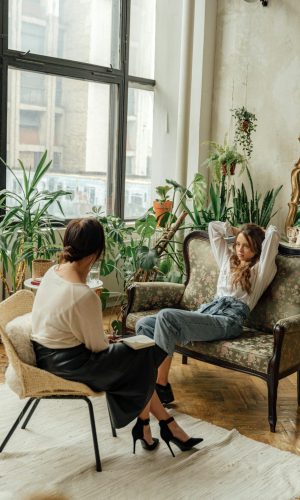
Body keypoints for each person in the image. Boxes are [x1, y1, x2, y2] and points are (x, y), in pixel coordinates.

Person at [31, 217, 202, 456]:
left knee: (139, 357)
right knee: (143, 356)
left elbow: (70, 328)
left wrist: (109, 342)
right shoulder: (82, 294)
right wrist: (111, 340)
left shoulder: (52, 273)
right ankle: (162, 426)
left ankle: (155, 427)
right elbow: (98, 348)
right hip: (71, 365)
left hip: (45, 355)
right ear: (95, 253)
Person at [136, 221, 280, 405]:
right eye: (237, 244)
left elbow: (274, 234)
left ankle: (161, 386)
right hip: (208, 313)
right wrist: (239, 231)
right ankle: (148, 378)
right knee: (144, 324)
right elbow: (213, 228)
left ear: (257, 247)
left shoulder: (261, 270)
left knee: (166, 316)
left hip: (228, 321)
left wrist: (256, 232)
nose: (240, 250)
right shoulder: (228, 261)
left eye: (246, 245)